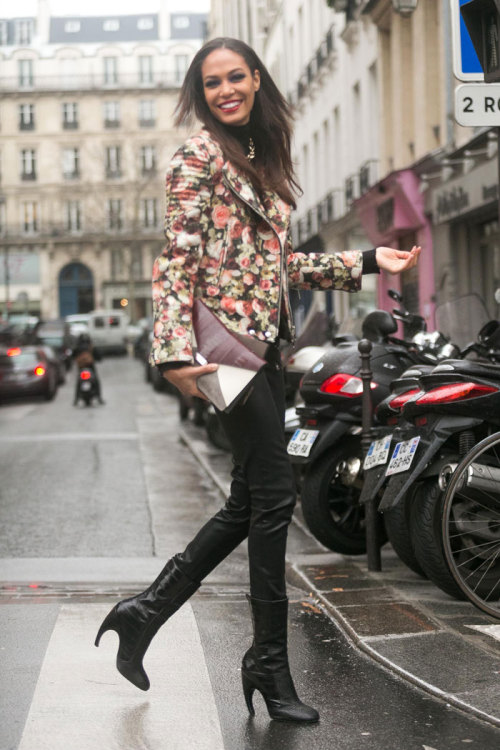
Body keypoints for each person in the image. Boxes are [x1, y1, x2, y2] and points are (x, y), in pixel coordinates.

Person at [95, 37, 421, 723]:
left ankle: (144, 614)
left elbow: (277, 270)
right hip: (221, 354)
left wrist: (368, 260)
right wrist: (173, 352)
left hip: (261, 352)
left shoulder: (259, 158)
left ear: (255, 80)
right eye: (211, 83)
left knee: (252, 499)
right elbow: (176, 261)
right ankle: (268, 662)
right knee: (273, 500)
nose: (225, 91)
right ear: (201, 92)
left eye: (235, 78)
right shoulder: (199, 156)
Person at [72, 333, 104, 405]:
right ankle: (99, 398)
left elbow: (72, 357)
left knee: (78, 382)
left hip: (81, 369)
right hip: (91, 368)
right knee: (96, 382)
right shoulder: (91, 347)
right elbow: (99, 357)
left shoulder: (77, 348)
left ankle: (76, 399)